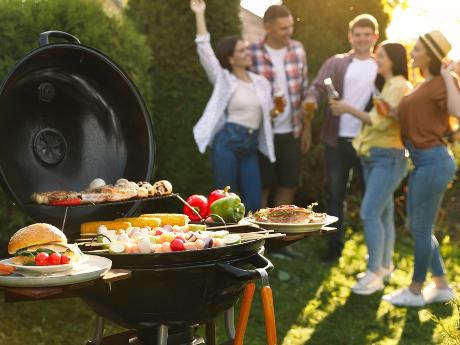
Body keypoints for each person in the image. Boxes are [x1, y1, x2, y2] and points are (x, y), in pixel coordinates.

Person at [382, 31, 460, 307]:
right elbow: (415, 116)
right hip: (424, 160)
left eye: (416, 49)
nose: (412, 53)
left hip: (434, 161)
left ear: (429, 54)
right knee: (419, 226)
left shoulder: (442, 82)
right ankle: (441, 286)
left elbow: (457, 109)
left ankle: (415, 291)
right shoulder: (423, 83)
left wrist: (451, 76)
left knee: (420, 227)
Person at [330, 42, 411, 294]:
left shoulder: (398, 85)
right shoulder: (386, 85)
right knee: (383, 213)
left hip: (388, 158)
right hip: (374, 157)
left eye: (382, 56)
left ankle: (373, 273)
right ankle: (384, 266)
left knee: (369, 212)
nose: (378, 58)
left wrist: (345, 107)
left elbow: (376, 121)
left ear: (394, 60)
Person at [307, 14, 379, 262]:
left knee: (373, 199)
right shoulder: (336, 63)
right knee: (336, 195)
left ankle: (375, 255)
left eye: (366, 34)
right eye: (357, 34)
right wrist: (311, 101)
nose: (361, 38)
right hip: (336, 141)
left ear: (375, 37)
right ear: (350, 37)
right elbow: (317, 86)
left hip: (368, 142)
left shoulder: (381, 64)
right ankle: (334, 249)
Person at [191, 0, 275, 212]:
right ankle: (229, 243)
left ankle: (252, 244)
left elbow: (268, 112)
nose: (248, 53)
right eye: (241, 50)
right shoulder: (224, 80)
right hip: (228, 143)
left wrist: (276, 111)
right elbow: (204, 50)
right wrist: (199, 14)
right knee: (224, 203)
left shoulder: (261, 82)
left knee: (254, 203)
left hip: (250, 146)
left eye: (247, 49)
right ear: (230, 58)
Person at [249, 5, 310, 208]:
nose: (289, 32)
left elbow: (304, 90)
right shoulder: (252, 52)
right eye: (284, 28)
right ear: (268, 28)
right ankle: (261, 234)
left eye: (291, 26)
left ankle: (281, 233)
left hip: (291, 132)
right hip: (262, 134)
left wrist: (306, 128)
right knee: (262, 187)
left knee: (288, 185)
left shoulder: (298, 49)